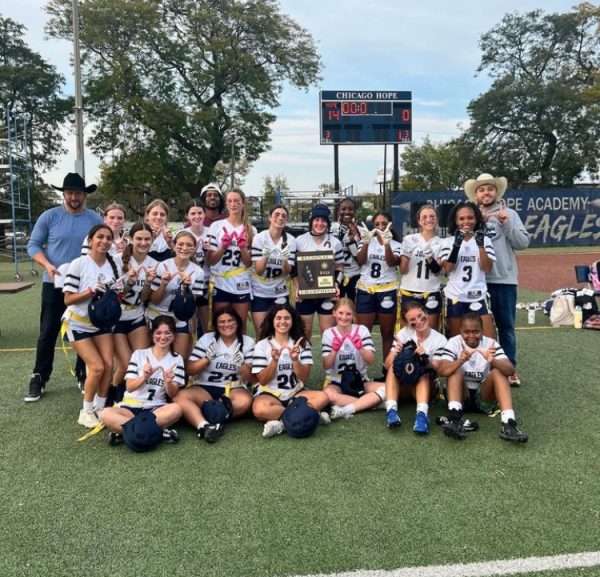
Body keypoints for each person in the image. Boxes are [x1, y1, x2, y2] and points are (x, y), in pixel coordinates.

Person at [24, 172, 103, 402]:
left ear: (84, 194)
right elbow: (34, 245)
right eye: (70, 192)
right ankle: (39, 376)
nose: (74, 197)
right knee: (48, 331)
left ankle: (82, 372)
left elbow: (104, 246)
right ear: (64, 194)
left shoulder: (94, 220)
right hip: (54, 283)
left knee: (84, 330)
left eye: (78, 193)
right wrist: (47, 265)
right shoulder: (49, 217)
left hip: (84, 287)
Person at [465, 173, 530, 386]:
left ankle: (509, 368)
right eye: (482, 189)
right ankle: (478, 368)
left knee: (506, 327)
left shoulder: (508, 213)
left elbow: (523, 243)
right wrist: (476, 226)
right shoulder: (471, 216)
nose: (486, 192)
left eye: (490, 189)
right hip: (476, 280)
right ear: (476, 194)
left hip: (503, 279)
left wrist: (506, 224)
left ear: (496, 192)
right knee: (476, 328)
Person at [62, 224, 125, 427]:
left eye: (108, 238)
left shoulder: (114, 264)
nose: (104, 241)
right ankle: (86, 410)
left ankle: (99, 407)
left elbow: (115, 298)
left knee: (109, 365)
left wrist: (119, 291)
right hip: (78, 323)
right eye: (100, 237)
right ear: (90, 240)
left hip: (101, 323)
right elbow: (68, 299)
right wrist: (90, 291)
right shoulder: (78, 264)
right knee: (97, 367)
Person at [435, 312, 528, 443]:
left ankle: (508, 423)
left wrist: (493, 361)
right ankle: (455, 419)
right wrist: (460, 361)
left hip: (483, 398)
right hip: (462, 396)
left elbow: (510, 370)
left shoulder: (491, 344)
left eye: (476, 331)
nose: (471, 335)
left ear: (482, 331)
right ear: (461, 331)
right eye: (467, 332)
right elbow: (442, 371)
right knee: (454, 371)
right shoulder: (454, 342)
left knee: (498, 372)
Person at [100, 315, 184, 446]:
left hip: (155, 408)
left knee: (176, 409)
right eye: (158, 333)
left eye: (168, 333)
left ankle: (125, 431)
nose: (163, 337)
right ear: (152, 334)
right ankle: (159, 433)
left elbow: (172, 394)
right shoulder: (139, 354)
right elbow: (129, 387)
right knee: (105, 414)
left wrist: (168, 382)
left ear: (174, 336)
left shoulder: (177, 359)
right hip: (130, 407)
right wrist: (144, 377)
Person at [251, 303, 330, 438]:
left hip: (295, 393)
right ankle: (309, 415)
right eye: (278, 318)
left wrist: (295, 360)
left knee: (323, 397)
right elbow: (262, 381)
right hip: (270, 394)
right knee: (259, 409)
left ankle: (281, 424)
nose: (283, 321)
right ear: (272, 321)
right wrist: (274, 361)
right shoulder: (262, 345)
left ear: (293, 321)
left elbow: (304, 378)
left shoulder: (301, 343)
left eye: (287, 318)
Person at [177, 306, 254, 443]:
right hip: (205, 387)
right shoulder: (207, 339)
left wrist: (241, 365)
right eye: (222, 322)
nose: (226, 325)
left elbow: (252, 379)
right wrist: (206, 359)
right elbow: (189, 369)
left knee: (245, 402)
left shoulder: (247, 342)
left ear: (237, 321)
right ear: (216, 325)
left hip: (233, 389)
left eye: (230, 320)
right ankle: (203, 425)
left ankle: (203, 413)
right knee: (179, 396)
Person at [383, 301, 447, 434]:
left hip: (428, 387)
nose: (418, 321)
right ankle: (391, 412)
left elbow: (436, 371)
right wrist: (396, 352)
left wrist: (424, 358)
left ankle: (422, 417)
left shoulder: (440, 339)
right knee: (393, 367)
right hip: (405, 386)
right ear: (407, 323)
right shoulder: (404, 333)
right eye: (412, 319)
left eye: (420, 316)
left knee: (421, 368)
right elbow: (387, 365)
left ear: (426, 313)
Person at [439, 202, 496, 339]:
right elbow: (447, 269)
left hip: (477, 295)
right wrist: (457, 245)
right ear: (456, 221)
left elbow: (487, 268)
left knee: (490, 341)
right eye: (462, 218)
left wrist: (481, 246)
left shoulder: (485, 240)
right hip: (456, 296)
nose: (466, 221)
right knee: (457, 341)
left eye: (470, 218)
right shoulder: (448, 241)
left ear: (476, 219)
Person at [111, 223, 156, 395]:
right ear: (130, 239)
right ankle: (112, 396)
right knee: (124, 364)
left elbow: (144, 298)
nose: (143, 242)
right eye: (139, 238)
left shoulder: (154, 263)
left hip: (137, 315)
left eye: (147, 239)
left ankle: (133, 398)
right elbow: (113, 295)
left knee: (141, 361)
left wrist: (149, 283)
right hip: (117, 318)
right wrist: (129, 283)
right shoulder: (116, 260)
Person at [321, 298, 384, 420]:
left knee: (388, 389)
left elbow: (371, 361)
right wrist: (334, 351)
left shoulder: (362, 330)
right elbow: (326, 366)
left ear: (353, 315)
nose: (344, 317)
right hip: (336, 381)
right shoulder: (328, 333)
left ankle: (346, 409)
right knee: (328, 395)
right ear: (334, 313)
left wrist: (360, 348)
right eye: (340, 313)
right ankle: (371, 402)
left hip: (359, 381)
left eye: (348, 314)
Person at [355, 211, 402, 366]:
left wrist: (387, 243)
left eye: (384, 223)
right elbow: (360, 261)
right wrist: (366, 242)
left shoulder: (396, 244)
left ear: (390, 225)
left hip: (386, 290)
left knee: (387, 333)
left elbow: (392, 262)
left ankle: (387, 370)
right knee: (363, 333)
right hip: (366, 290)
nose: (381, 227)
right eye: (377, 224)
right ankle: (359, 372)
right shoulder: (367, 240)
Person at [148, 230, 205, 357]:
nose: (184, 248)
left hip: (179, 319)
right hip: (157, 315)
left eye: (189, 245)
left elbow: (190, 306)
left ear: (195, 248)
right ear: (173, 246)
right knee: (156, 359)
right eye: (180, 244)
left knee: (180, 360)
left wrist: (186, 289)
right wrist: (163, 284)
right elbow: (155, 300)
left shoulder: (198, 272)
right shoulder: (162, 266)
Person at [206, 188, 256, 331]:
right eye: (229, 201)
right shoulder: (216, 226)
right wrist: (223, 247)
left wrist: (242, 248)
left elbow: (248, 263)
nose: (233, 204)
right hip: (220, 282)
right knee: (220, 325)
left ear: (243, 203)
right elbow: (210, 261)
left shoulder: (251, 229)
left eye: (236, 201)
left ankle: (240, 353)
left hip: (240, 281)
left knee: (240, 325)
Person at [293, 203, 344, 339]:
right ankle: (304, 361)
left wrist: (336, 285)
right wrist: (298, 287)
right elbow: (294, 269)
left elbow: (339, 267)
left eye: (323, 220)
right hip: (305, 294)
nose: (320, 223)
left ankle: (328, 361)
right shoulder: (300, 241)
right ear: (311, 222)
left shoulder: (335, 242)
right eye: (317, 220)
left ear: (327, 223)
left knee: (328, 334)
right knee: (304, 334)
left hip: (326, 294)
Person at [250, 204, 296, 332]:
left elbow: (287, 272)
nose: (280, 218)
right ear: (270, 217)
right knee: (261, 331)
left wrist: (284, 260)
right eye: (276, 215)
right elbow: (259, 270)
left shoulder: (290, 240)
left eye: (284, 216)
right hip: (260, 291)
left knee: (280, 332)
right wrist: (265, 257)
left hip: (280, 291)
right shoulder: (260, 238)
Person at [399, 204, 444, 329]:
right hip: (409, 292)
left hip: (430, 292)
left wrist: (429, 256)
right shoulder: (409, 239)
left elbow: (436, 271)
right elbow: (402, 270)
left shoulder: (442, 243)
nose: (428, 220)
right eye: (424, 217)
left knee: (430, 332)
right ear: (419, 221)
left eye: (432, 216)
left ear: (437, 219)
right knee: (407, 334)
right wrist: (407, 254)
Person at [182, 200, 211, 335]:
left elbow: (215, 260)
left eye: (200, 212)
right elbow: (179, 260)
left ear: (204, 214)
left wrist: (208, 251)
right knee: (190, 326)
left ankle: (206, 353)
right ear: (187, 216)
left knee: (208, 325)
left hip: (208, 284)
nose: (197, 216)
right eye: (193, 213)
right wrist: (192, 252)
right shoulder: (182, 234)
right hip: (189, 284)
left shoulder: (212, 233)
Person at [331, 197, 361, 301]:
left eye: (351, 209)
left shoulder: (360, 231)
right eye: (343, 209)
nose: (347, 212)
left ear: (355, 211)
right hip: (335, 276)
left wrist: (351, 242)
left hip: (355, 275)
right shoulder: (330, 229)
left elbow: (360, 260)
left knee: (355, 310)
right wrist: (340, 235)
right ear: (338, 210)